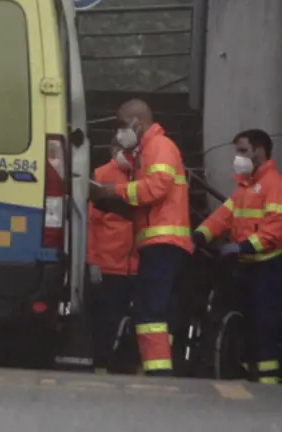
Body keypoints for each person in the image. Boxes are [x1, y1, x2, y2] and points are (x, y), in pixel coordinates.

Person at [88, 99, 192, 377]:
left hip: (163, 242)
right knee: (151, 311)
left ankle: (158, 372)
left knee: (150, 313)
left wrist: (115, 192)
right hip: (159, 242)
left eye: (123, 124)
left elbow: (156, 188)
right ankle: (155, 370)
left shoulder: (160, 147)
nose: (120, 131)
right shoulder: (148, 151)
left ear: (138, 122)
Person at [193, 128, 282, 385]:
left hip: (266, 269)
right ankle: (248, 376)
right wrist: (201, 234)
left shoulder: (275, 186)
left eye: (243, 151)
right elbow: (222, 217)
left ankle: (267, 385)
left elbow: (273, 230)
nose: (237, 157)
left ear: (260, 151)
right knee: (245, 326)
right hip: (245, 267)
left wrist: (242, 247)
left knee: (263, 328)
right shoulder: (244, 188)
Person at [87, 139, 139, 374]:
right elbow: (91, 224)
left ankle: (129, 364)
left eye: (127, 150)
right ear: (111, 150)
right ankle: (101, 363)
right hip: (109, 263)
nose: (123, 154)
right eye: (118, 149)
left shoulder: (142, 174)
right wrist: (93, 261)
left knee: (137, 320)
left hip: (138, 264)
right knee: (106, 319)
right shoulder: (102, 174)